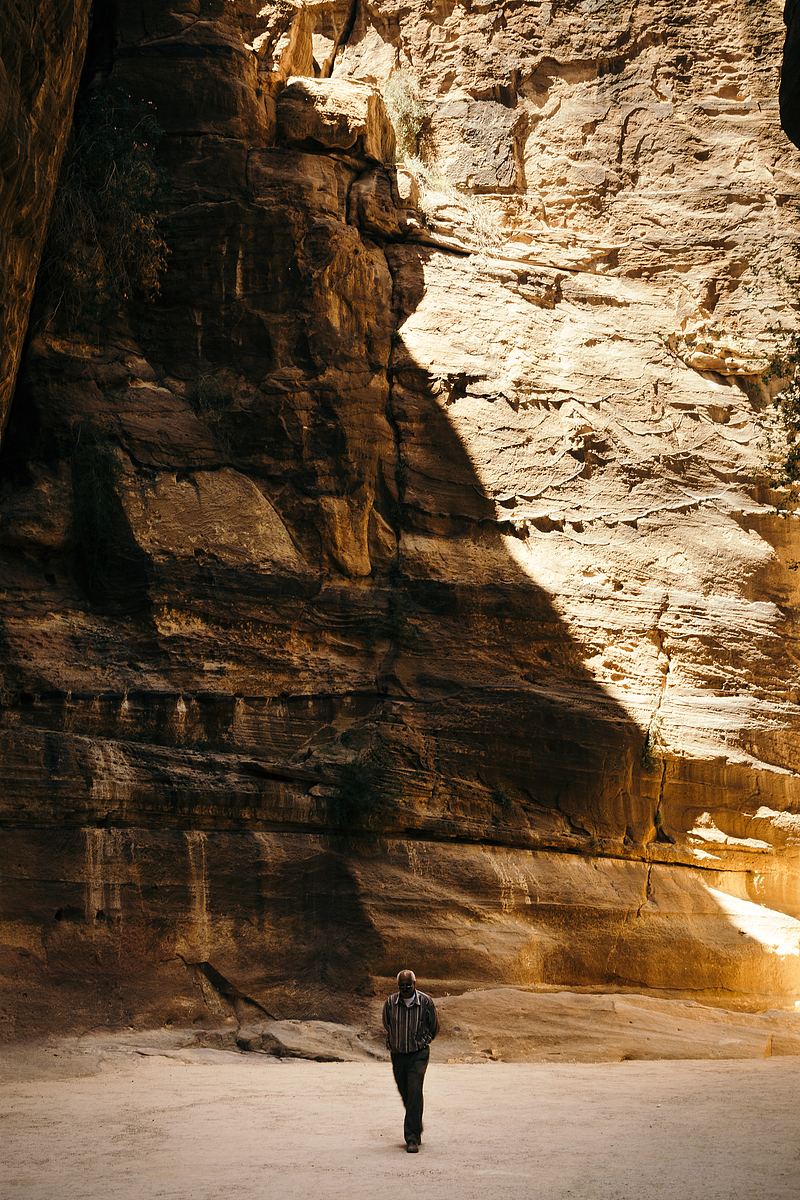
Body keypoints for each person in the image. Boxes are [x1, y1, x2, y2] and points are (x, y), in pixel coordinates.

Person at [382, 968, 439, 1153]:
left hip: (418, 1054)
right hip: (398, 1054)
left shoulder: (425, 1002)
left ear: (415, 984)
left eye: (408, 985)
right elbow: (386, 1023)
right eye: (402, 986)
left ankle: (412, 1138)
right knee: (405, 1092)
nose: (405, 988)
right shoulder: (390, 1002)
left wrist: (423, 1041)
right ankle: (416, 1122)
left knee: (414, 1090)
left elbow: (434, 1026)